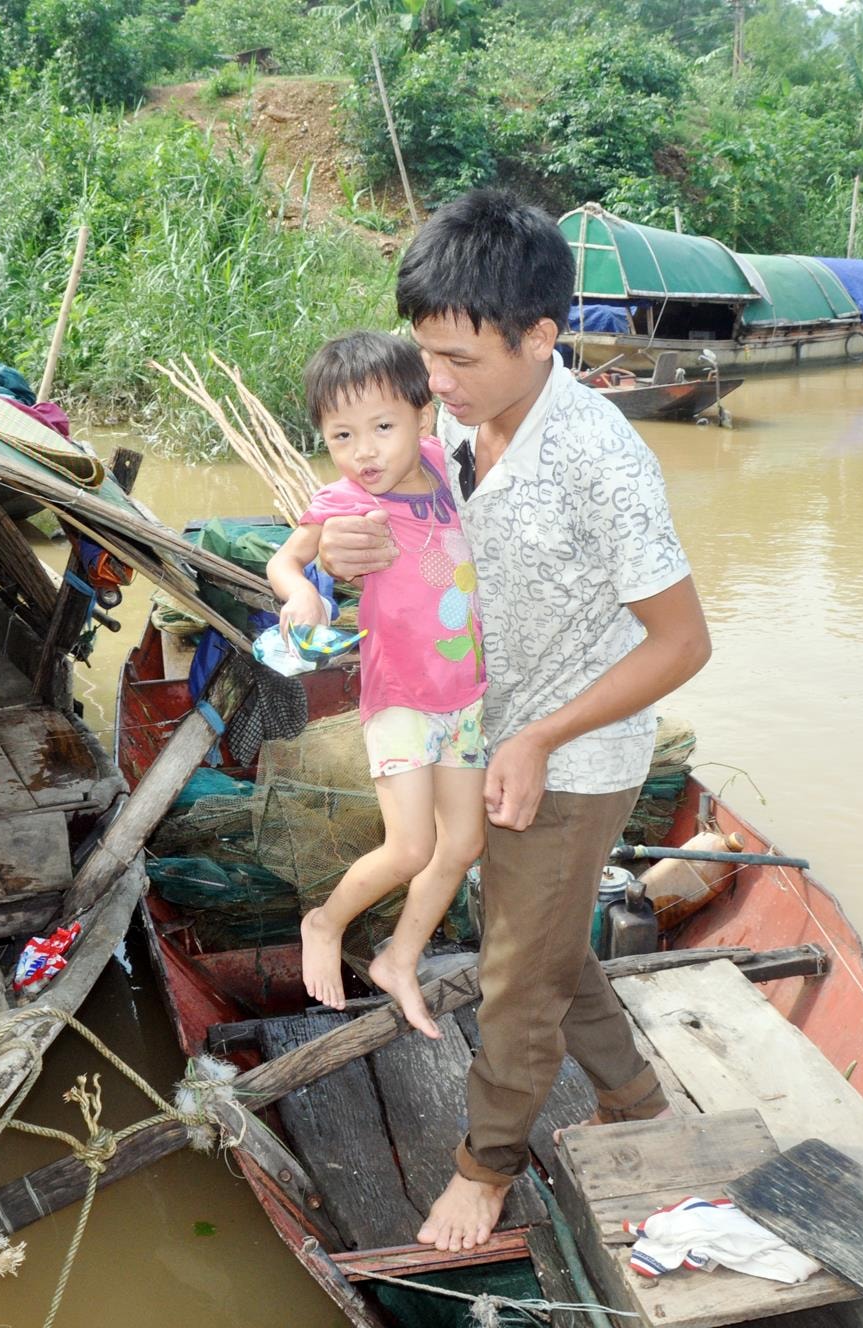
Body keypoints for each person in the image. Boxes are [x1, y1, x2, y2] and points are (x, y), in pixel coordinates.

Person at [316, 191, 713, 1252]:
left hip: (570, 750)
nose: (433, 385)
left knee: (513, 971)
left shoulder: (602, 460)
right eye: (423, 356)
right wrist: (333, 552)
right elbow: (376, 505)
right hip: (475, 729)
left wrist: (538, 737)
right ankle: (631, 1093)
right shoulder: (440, 414)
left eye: (458, 362)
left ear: (541, 337)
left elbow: (680, 644)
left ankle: (483, 1166)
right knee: (540, 939)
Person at [266, 331, 488, 1041]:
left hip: (467, 697)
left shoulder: (442, 462)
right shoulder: (343, 498)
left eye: (382, 427)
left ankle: (400, 955)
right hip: (400, 700)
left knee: (463, 844)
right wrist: (302, 595)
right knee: (411, 848)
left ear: (423, 418)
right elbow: (286, 562)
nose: (365, 450)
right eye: (342, 435)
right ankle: (324, 922)